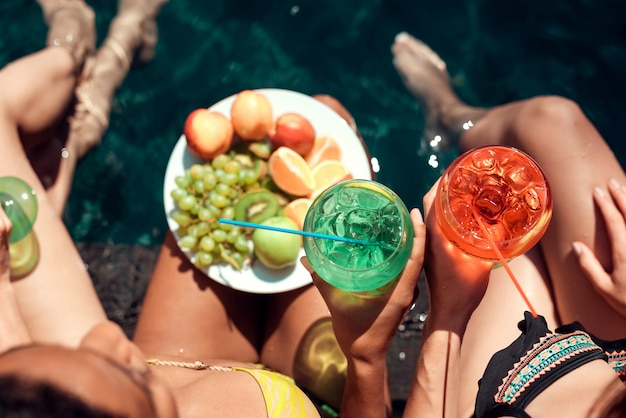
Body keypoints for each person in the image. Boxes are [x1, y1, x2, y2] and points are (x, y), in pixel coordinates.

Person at [0, 4, 428, 417]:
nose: (106, 334)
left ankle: (84, 68)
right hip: (312, 400)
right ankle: (89, 71)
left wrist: (5, 292)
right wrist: (366, 357)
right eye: (133, 380)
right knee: (332, 113)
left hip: (183, 364)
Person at [389, 32, 626, 417]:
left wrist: (447, 316)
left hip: (515, 401)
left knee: (505, 250)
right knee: (551, 118)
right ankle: (448, 116)